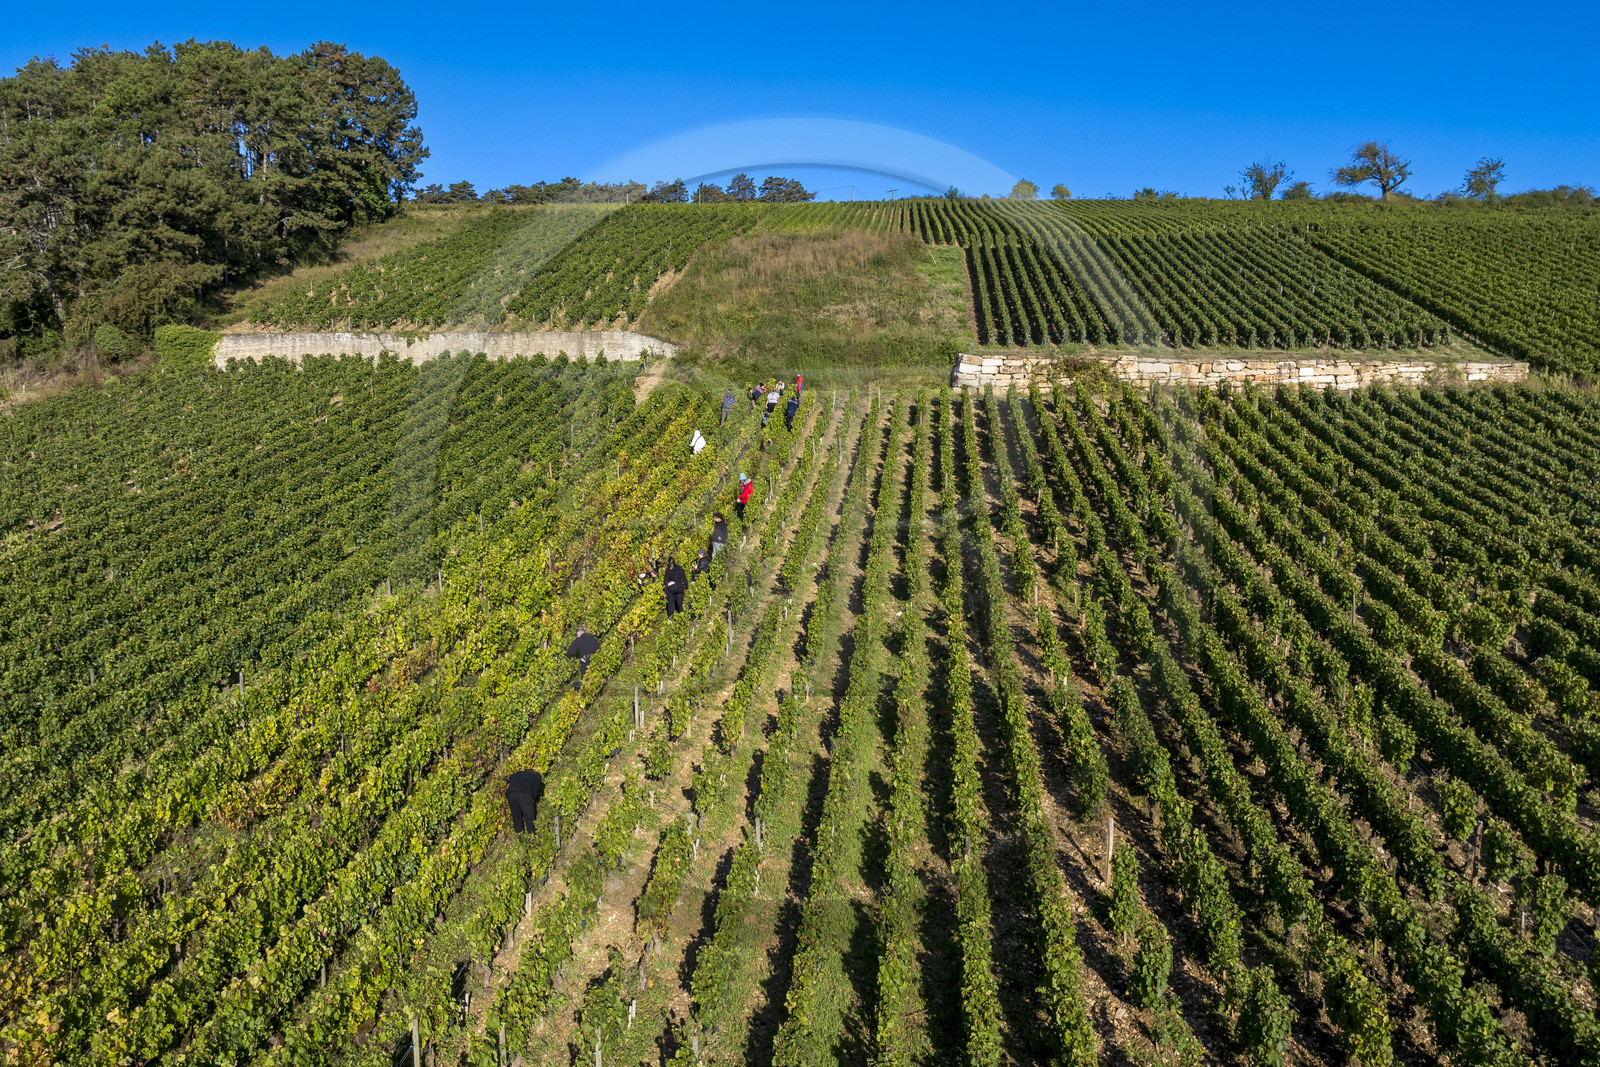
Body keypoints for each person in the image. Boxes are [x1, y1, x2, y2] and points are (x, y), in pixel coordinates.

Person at [506, 768, 544, 834]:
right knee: (529, 817)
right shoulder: (536, 777)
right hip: (525, 795)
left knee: (516, 816)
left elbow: (508, 779)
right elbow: (535, 791)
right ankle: (532, 837)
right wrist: (533, 799)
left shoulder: (518, 773)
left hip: (511, 794)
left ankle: (520, 837)